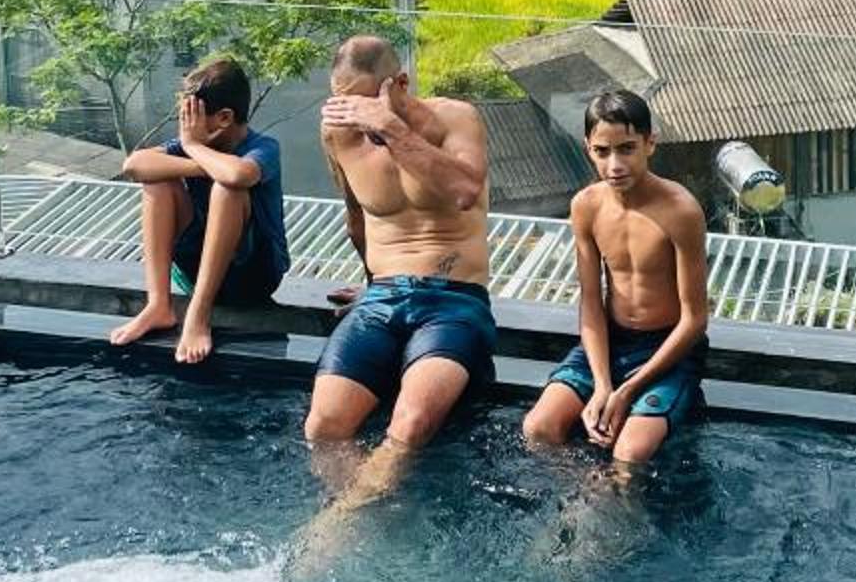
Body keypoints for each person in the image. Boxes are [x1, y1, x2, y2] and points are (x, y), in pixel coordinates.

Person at [299, 33, 492, 526]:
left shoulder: (456, 118)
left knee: (410, 425)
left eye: (362, 101)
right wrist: (371, 282)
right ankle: (375, 520)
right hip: (383, 296)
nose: (352, 114)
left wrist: (390, 127)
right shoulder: (338, 132)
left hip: (454, 298)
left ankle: (334, 530)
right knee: (323, 427)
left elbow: (464, 189)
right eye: (341, 101)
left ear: (399, 85)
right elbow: (356, 215)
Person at [524, 87, 709, 476]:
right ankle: (582, 497)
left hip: (667, 349)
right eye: (602, 151)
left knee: (630, 453)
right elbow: (591, 302)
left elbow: (695, 320)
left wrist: (626, 392)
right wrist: (602, 385)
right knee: (538, 428)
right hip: (609, 343)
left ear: (650, 143)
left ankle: (612, 501)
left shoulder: (681, 210)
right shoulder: (587, 206)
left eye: (626, 149)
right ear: (588, 149)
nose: (614, 165)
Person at [112, 56, 289, 366]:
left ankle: (198, 314)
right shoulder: (192, 142)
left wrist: (194, 148)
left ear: (224, 118)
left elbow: (238, 175)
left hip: (253, 275)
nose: (184, 128)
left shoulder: (264, 147)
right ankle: (158, 304)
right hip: (194, 270)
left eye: (190, 117)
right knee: (158, 183)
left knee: (227, 189)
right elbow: (134, 165)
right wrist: (200, 161)